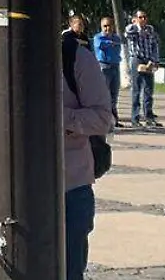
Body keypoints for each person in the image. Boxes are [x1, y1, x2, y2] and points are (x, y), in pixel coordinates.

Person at [62, 16, 116, 280]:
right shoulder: (4, 56)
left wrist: (58, 117)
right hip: (20, 187)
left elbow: (103, 118)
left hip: (71, 188)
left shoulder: (76, 58)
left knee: (70, 271)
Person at [123, 10, 161, 129]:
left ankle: (149, 117)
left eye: (145, 17)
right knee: (136, 89)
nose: (143, 19)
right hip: (137, 60)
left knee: (149, 90)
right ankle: (135, 118)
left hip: (148, 60)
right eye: (140, 17)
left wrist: (154, 60)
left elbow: (155, 45)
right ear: (135, 18)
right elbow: (127, 32)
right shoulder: (133, 29)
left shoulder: (150, 30)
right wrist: (136, 25)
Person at [93, 17, 122, 124]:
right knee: (104, 94)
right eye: (105, 26)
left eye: (109, 25)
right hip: (103, 67)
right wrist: (110, 42)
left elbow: (118, 46)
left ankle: (114, 118)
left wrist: (111, 42)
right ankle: (102, 118)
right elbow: (100, 45)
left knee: (114, 94)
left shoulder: (117, 38)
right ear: (101, 27)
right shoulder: (98, 37)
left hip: (115, 66)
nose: (107, 28)